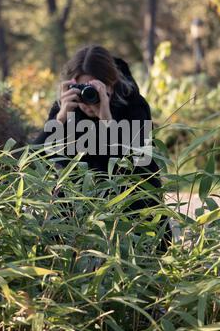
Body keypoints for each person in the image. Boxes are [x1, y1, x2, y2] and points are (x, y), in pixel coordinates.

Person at [33, 44, 171, 249]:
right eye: (82, 90)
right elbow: (32, 159)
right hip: (75, 216)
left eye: (95, 90)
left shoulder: (133, 106)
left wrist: (107, 118)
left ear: (111, 84)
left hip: (128, 215)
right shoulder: (66, 108)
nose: (88, 100)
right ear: (71, 87)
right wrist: (60, 119)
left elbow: (139, 165)